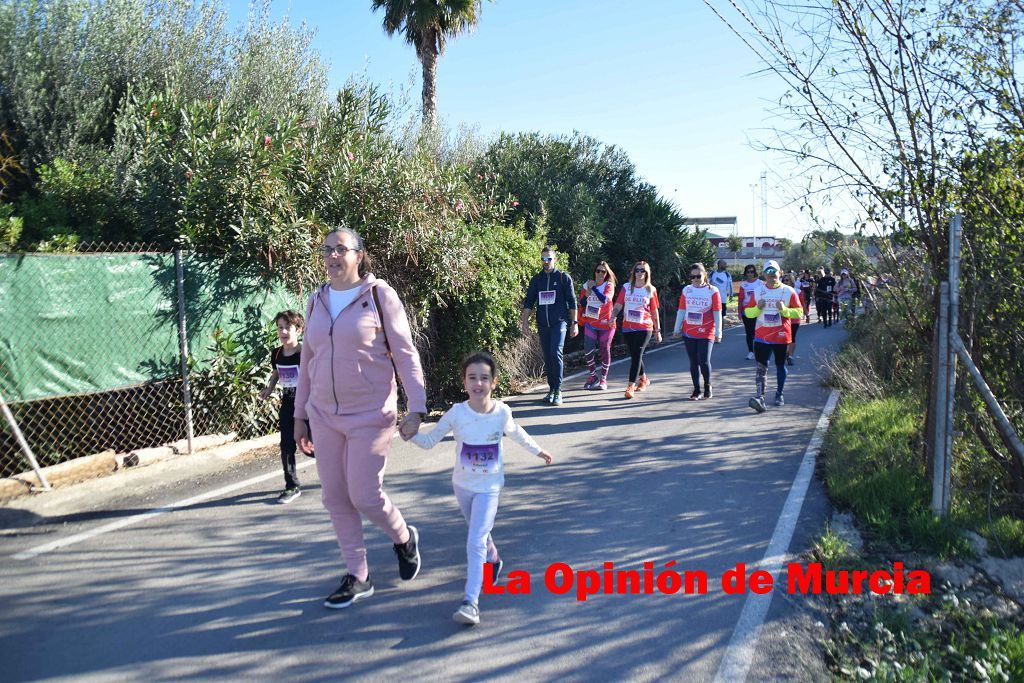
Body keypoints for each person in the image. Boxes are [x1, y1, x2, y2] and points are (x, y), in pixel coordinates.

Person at [293, 226, 427, 610]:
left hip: (370, 413)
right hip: (323, 414)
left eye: (341, 249)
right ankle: (358, 575)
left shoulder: (378, 296)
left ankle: (404, 538)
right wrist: (300, 414)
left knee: (364, 494)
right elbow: (308, 360)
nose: (333, 256)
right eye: (327, 250)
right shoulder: (316, 300)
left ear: (359, 255)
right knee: (335, 497)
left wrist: (416, 406)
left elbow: (404, 352)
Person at [408, 352, 552, 626]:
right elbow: (428, 442)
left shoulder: (501, 413)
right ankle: (494, 559)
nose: (478, 383)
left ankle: (470, 602)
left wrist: (538, 451)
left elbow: (517, 433)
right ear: (464, 382)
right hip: (462, 486)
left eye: (484, 378)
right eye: (472, 378)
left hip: (489, 488)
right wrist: (410, 434)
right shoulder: (457, 413)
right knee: (479, 535)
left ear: (494, 382)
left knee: (475, 540)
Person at [259, 310, 313, 504]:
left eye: (288, 327)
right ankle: (291, 485)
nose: (283, 331)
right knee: (287, 445)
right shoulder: (277, 353)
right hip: (288, 404)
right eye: (280, 328)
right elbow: (276, 373)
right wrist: (269, 388)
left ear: (299, 330)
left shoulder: (306, 352)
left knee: (313, 447)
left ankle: (341, 469)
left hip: (309, 405)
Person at [521, 247, 578, 406]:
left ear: (555, 260)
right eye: (543, 259)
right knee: (548, 356)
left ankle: (558, 390)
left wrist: (574, 323)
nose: (546, 262)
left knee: (555, 352)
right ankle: (551, 389)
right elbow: (529, 302)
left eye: (549, 259)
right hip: (543, 324)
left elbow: (572, 302)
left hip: (559, 322)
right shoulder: (537, 279)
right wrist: (525, 322)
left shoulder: (563, 278)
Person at [744, 260, 802, 412]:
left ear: (780, 273)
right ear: (763, 275)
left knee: (780, 365)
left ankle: (779, 394)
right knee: (761, 367)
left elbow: (799, 312)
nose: (771, 275)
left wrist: (785, 311)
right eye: (768, 272)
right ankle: (760, 397)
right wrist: (757, 308)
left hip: (781, 336)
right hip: (762, 336)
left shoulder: (789, 291)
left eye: (774, 272)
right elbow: (748, 313)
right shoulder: (757, 291)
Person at [612, 261, 662, 399]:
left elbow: (654, 311)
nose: (640, 273)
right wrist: (612, 316)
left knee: (638, 352)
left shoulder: (650, 290)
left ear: (647, 273)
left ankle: (630, 386)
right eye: (637, 270)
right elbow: (619, 304)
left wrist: (657, 331)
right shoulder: (626, 287)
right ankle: (643, 378)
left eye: (643, 271)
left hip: (645, 326)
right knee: (635, 355)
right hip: (628, 326)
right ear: (633, 272)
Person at [672, 263, 722, 400]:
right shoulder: (687, 290)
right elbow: (681, 310)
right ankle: (696, 390)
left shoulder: (713, 291)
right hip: (689, 331)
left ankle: (707, 385)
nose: (695, 279)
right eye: (692, 276)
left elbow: (717, 312)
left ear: (704, 275)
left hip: (706, 331)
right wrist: (677, 328)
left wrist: (719, 332)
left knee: (704, 360)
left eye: (698, 276)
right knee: (693, 361)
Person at [578, 261, 617, 391]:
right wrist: (587, 293)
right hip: (591, 322)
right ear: (594, 272)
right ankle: (593, 375)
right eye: (598, 271)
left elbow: (605, 300)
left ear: (606, 274)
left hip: (607, 324)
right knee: (588, 349)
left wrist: (593, 289)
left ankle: (603, 378)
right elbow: (582, 303)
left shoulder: (609, 285)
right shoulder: (586, 285)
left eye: (603, 271)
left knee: (604, 349)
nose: (600, 273)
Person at [737, 264, 761, 360]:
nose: (750, 274)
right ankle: (751, 352)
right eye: (748, 272)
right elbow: (740, 299)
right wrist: (739, 312)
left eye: (752, 272)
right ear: (745, 273)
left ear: (754, 272)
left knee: (757, 332)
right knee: (749, 332)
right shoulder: (743, 285)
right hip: (746, 311)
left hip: (758, 311)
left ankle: (759, 351)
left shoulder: (760, 283)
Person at [781, 273, 801, 366]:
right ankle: (785, 352)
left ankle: (790, 356)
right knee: (784, 338)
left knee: (792, 338)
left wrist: (806, 314)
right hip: (783, 318)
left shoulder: (798, 291)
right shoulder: (780, 291)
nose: (785, 282)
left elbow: (802, 303)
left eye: (787, 280)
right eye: (784, 280)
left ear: (792, 282)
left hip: (794, 319)